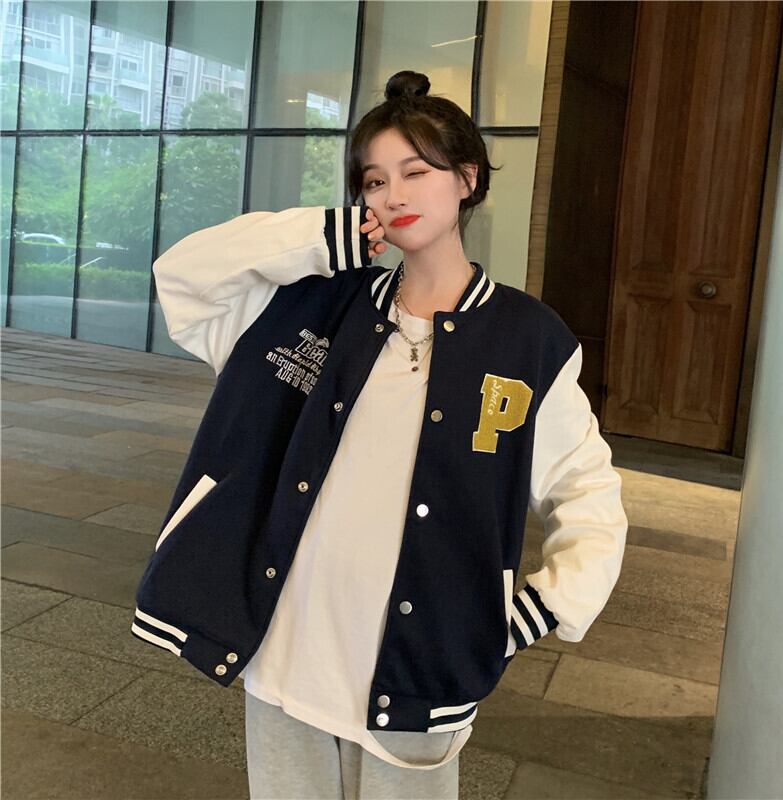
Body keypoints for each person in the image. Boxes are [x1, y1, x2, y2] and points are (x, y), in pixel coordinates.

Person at [131, 70, 628, 800]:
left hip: (418, 663)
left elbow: (585, 490)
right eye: (373, 181)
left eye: (416, 172)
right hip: (286, 644)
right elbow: (183, 278)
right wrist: (320, 238)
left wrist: (537, 611)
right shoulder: (313, 308)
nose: (393, 195)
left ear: (467, 179)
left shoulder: (527, 340)